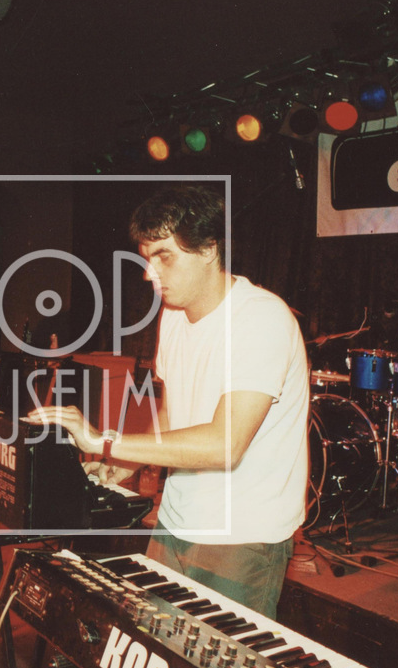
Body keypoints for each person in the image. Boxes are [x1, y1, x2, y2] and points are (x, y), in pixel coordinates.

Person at [26, 185, 309, 619]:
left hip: (242, 534)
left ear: (209, 249)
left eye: (164, 256)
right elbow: (169, 414)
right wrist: (124, 463)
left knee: (222, 660)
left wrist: (104, 441)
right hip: (174, 520)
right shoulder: (173, 315)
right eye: (146, 257)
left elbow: (225, 444)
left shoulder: (260, 319)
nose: (149, 273)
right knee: (158, 647)